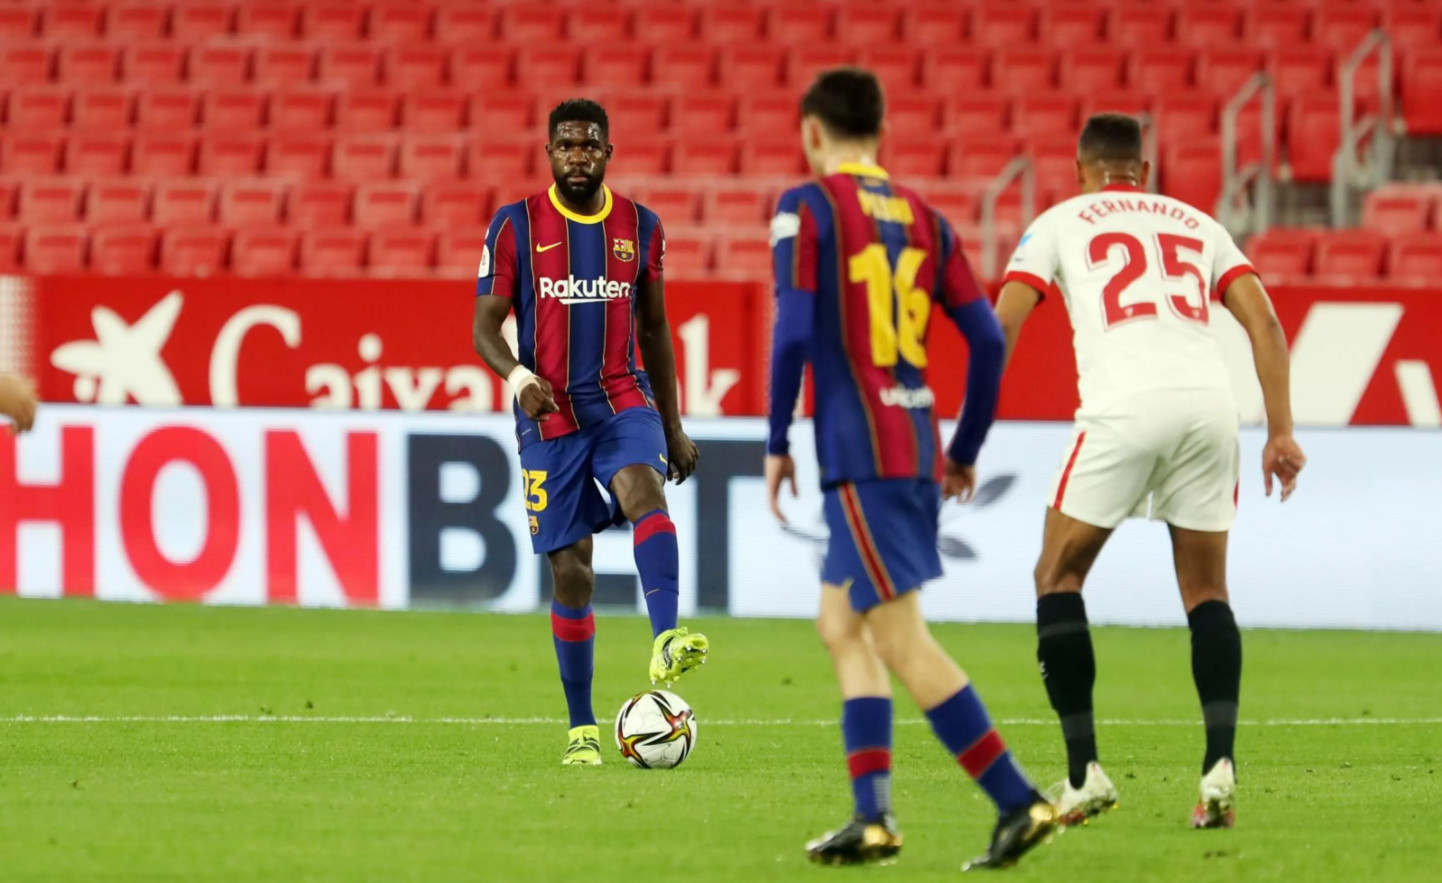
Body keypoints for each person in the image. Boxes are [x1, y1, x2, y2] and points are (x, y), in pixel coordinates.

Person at [765, 68, 1058, 870]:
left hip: (862, 455)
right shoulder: (927, 219)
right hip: (913, 445)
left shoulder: (807, 206)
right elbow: (990, 340)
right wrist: (963, 448)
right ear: (881, 130)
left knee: (898, 633)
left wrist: (776, 439)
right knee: (839, 623)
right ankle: (873, 817)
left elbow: (791, 335)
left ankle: (1018, 799)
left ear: (813, 132)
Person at [993, 113, 1306, 829]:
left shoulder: (1060, 219)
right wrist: (1281, 430)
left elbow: (1006, 319)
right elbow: (1264, 323)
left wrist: (973, 422)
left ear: (1081, 169)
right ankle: (1219, 771)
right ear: (1146, 169)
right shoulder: (1198, 223)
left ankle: (1083, 774)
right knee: (1207, 591)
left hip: (1124, 407)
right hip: (1209, 408)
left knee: (1057, 576)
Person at [472, 99, 707, 767]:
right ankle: (581, 728)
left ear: (609, 152)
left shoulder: (642, 226)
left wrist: (673, 421)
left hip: (622, 397)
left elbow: (656, 328)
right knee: (571, 572)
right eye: (567, 145)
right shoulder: (515, 226)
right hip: (549, 416)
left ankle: (666, 636)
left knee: (643, 490)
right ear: (549, 153)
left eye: (590, 145)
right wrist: (518, 377)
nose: (579, 155)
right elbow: (484, 328)